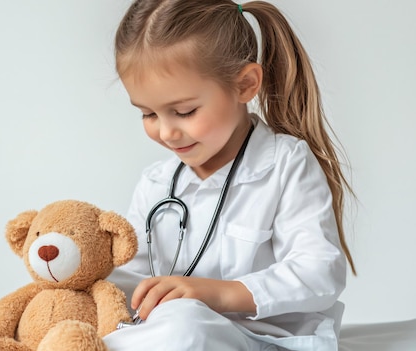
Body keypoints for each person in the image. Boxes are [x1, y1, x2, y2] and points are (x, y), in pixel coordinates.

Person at [101, 0, 356, 350]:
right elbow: (137, 277)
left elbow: (319, 273)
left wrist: (220, 294)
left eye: (184, 111)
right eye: (148, 114)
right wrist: (94, 280)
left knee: (186, 325)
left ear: (245, 85)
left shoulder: (286, 164)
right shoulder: (157, 182)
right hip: (174, 329)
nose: (166, 132)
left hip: (265, 339)